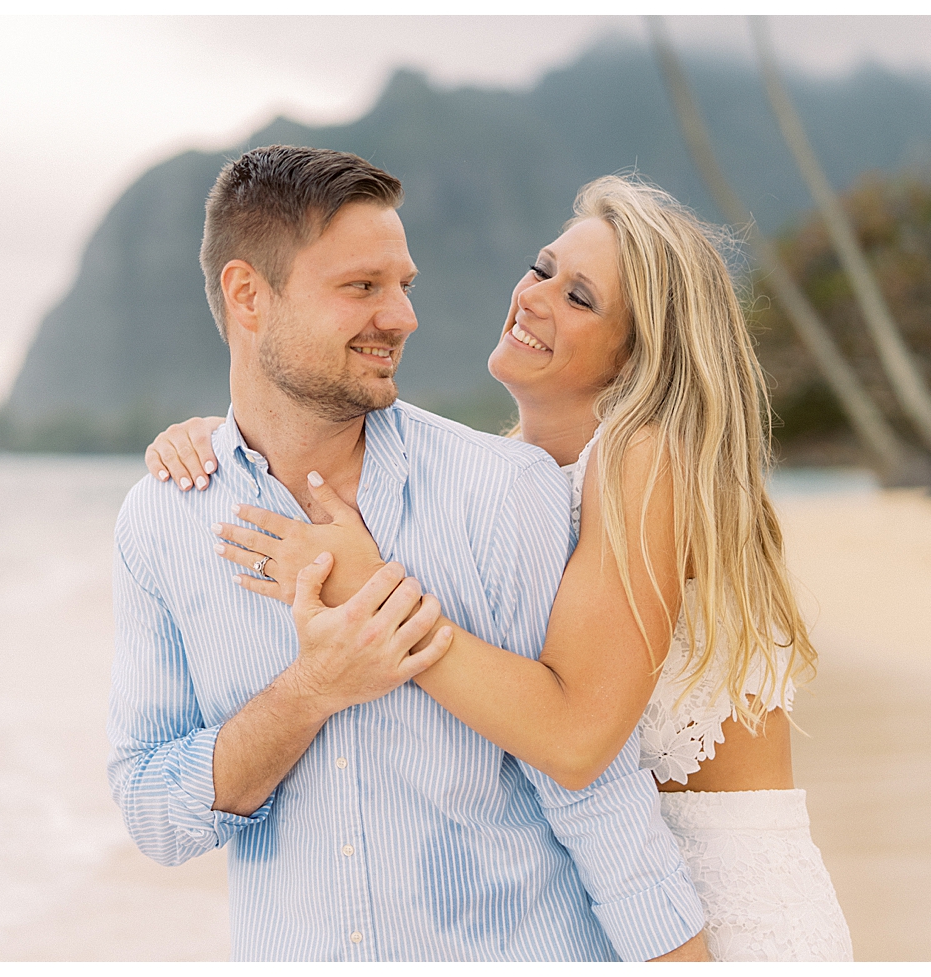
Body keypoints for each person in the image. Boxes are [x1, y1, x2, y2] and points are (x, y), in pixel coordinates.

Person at [147, 174, 854, 960]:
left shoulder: (647, 459)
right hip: (615, 900)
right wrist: (232, 441)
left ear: (638, 355)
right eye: (542, 266)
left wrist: (373, 595)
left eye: (580, 298)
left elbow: (577, 737)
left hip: (724, 907)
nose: (535, 296)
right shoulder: (510, 475)